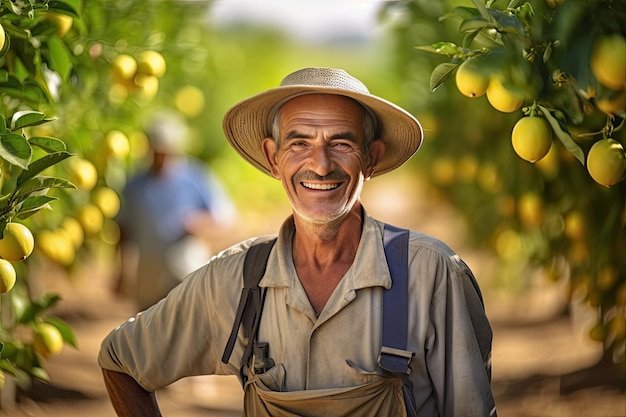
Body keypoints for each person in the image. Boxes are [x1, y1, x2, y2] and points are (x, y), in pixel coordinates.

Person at [99, 67, 497, 416]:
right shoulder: (236, 279)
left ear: (371, 158)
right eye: (299, 143)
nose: (320, 165)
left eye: (341, 143)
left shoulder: (430, 275)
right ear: (273, 158)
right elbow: (121, 359)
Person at [113, 110, 237, 312]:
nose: (161, 157)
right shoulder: (135, 185)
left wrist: (200, 223)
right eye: (156, 151)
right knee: (148, 329)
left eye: (166, 151)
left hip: (185, 265)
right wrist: (120, 272)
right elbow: (123, 230)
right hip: (149, 273)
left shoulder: (195, 177)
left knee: (191, 321)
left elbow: (225, 216)